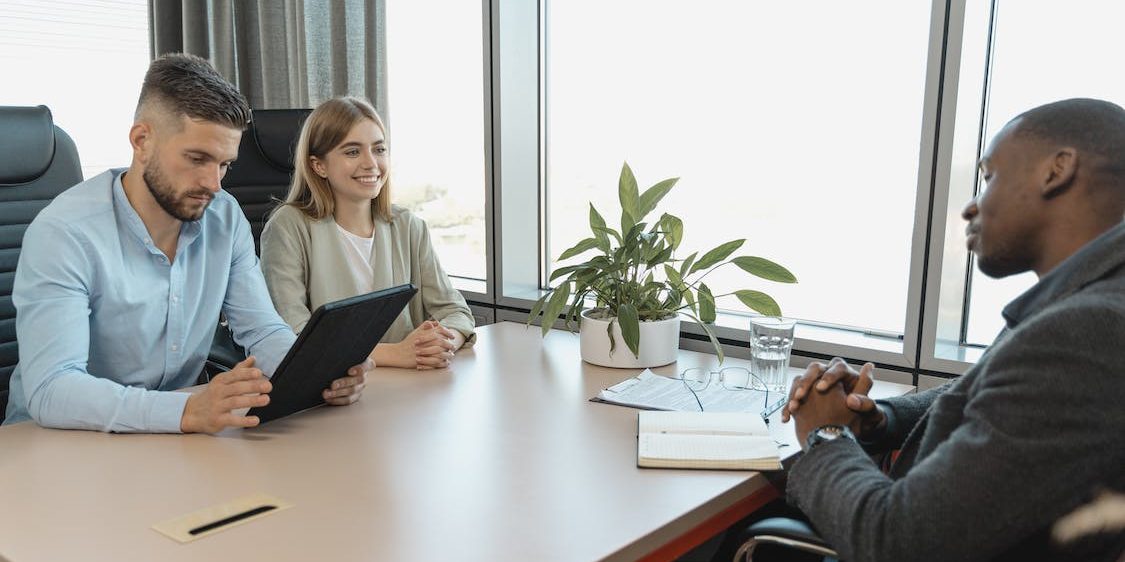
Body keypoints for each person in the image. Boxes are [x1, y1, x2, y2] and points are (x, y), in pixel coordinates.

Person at [781, 98, 1125, 561]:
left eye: (989, 178)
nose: (970, 207)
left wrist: (825, 435)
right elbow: (996, 394)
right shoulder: (1088, 301)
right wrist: (881, 420)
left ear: (1056, 170)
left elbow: (900, 542)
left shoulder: (1087, 330)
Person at [3, 53, 374, 434]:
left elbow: (262, 331)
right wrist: (185, 411)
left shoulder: (224, 217)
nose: (214, 184)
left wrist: (319, 375)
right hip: (55, 442)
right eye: (197, 159)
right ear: (142, 140)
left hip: (169, 435)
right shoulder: (66, 233)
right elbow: (53, 390)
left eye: (225, 164)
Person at [260, 96, 475, 370]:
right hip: (331, 391)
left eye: (379, 149)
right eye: (352, 152)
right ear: (318, 165)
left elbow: (454, 311)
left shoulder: (408, 226)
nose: (371, 163)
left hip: (408, 387)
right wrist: (395, 355)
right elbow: (292, 333)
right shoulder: (289, 226)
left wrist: (443, 343)